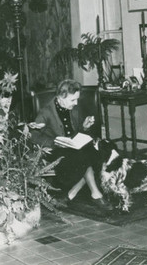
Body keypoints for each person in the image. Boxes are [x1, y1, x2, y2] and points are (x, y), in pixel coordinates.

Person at [31, 79, 113, 211]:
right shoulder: (46, 112)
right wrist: (55, 142)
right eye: (72, 100)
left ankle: (71, 194)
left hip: (74, 147)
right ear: (61, 97)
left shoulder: (74, 109)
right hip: (56, 150)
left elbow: (75, 131)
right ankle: (95, 194)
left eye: (77, 99)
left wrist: (84, 127)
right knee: (86, 157)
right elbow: (34, 136)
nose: (76, 103)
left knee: (97, 153)